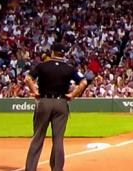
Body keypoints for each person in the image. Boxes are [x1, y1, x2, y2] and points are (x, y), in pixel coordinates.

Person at [24, 41, 89, 171]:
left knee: (38, 137)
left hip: (44, 101)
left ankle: (30, 169)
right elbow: (83, 82)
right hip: (61, 103)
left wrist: (35, 92)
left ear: (52, 52)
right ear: (63, 54)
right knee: (58, 140)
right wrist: (72, 95)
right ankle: (57, 169)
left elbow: (28, 79)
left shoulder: (43, 66)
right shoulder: (69, 68)